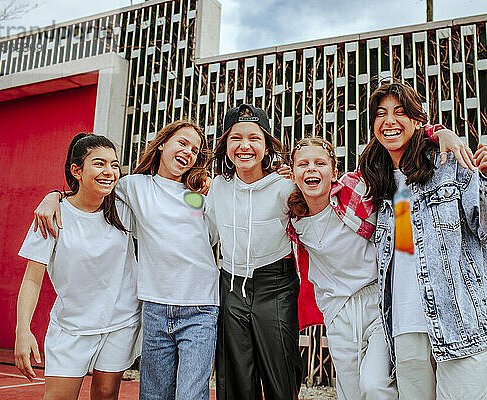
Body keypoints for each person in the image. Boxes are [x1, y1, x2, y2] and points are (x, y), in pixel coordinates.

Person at [358, 81, 487, 399]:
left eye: (400, 112)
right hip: (405, 326)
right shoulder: (376, 184)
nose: (389, 121)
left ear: (417, 120)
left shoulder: (450, 165)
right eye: (381, 114)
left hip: (462, 321)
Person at [32, 121, 220, 400]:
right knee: (154, 395)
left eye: (194, 149)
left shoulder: (197, 196)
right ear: (162, 144)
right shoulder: (133, 186)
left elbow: (213, 237)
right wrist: (54, 196)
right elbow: (91, 189)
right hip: (155, 306)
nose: (188, 152)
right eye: (182, 143)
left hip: (200, 304)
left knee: (191, 394)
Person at [15, 133, 141, 400]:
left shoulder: (124, 208)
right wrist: (22, 331)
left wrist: (199, 196)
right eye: (99, 163)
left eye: (114, 164)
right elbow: (32, 279)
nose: (109, 171)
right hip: (71, 326)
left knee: (106, 395)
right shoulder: (51, 215)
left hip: (120, 322)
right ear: (77, 170)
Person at [205, 104, 303, 400]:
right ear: (225, 145)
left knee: (281, 373)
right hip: (231, 285)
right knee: (234, 377)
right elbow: (197, 220)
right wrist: (58, 195)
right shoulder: (216, 188)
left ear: (266, 145)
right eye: (236, 138)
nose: (244, 146)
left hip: (275, 285)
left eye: (254, 138)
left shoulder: (286, 187)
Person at [287, 137, 397, 400]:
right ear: (292, 173)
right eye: (303, 164)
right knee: (351, 393)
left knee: (376, 386)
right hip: (337, 312)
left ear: (333, 172)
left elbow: (389, 145)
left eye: (320, 163)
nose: (311, 168)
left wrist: (436, 133)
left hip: (378, 305)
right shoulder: (292, 216)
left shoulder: (353, 191)